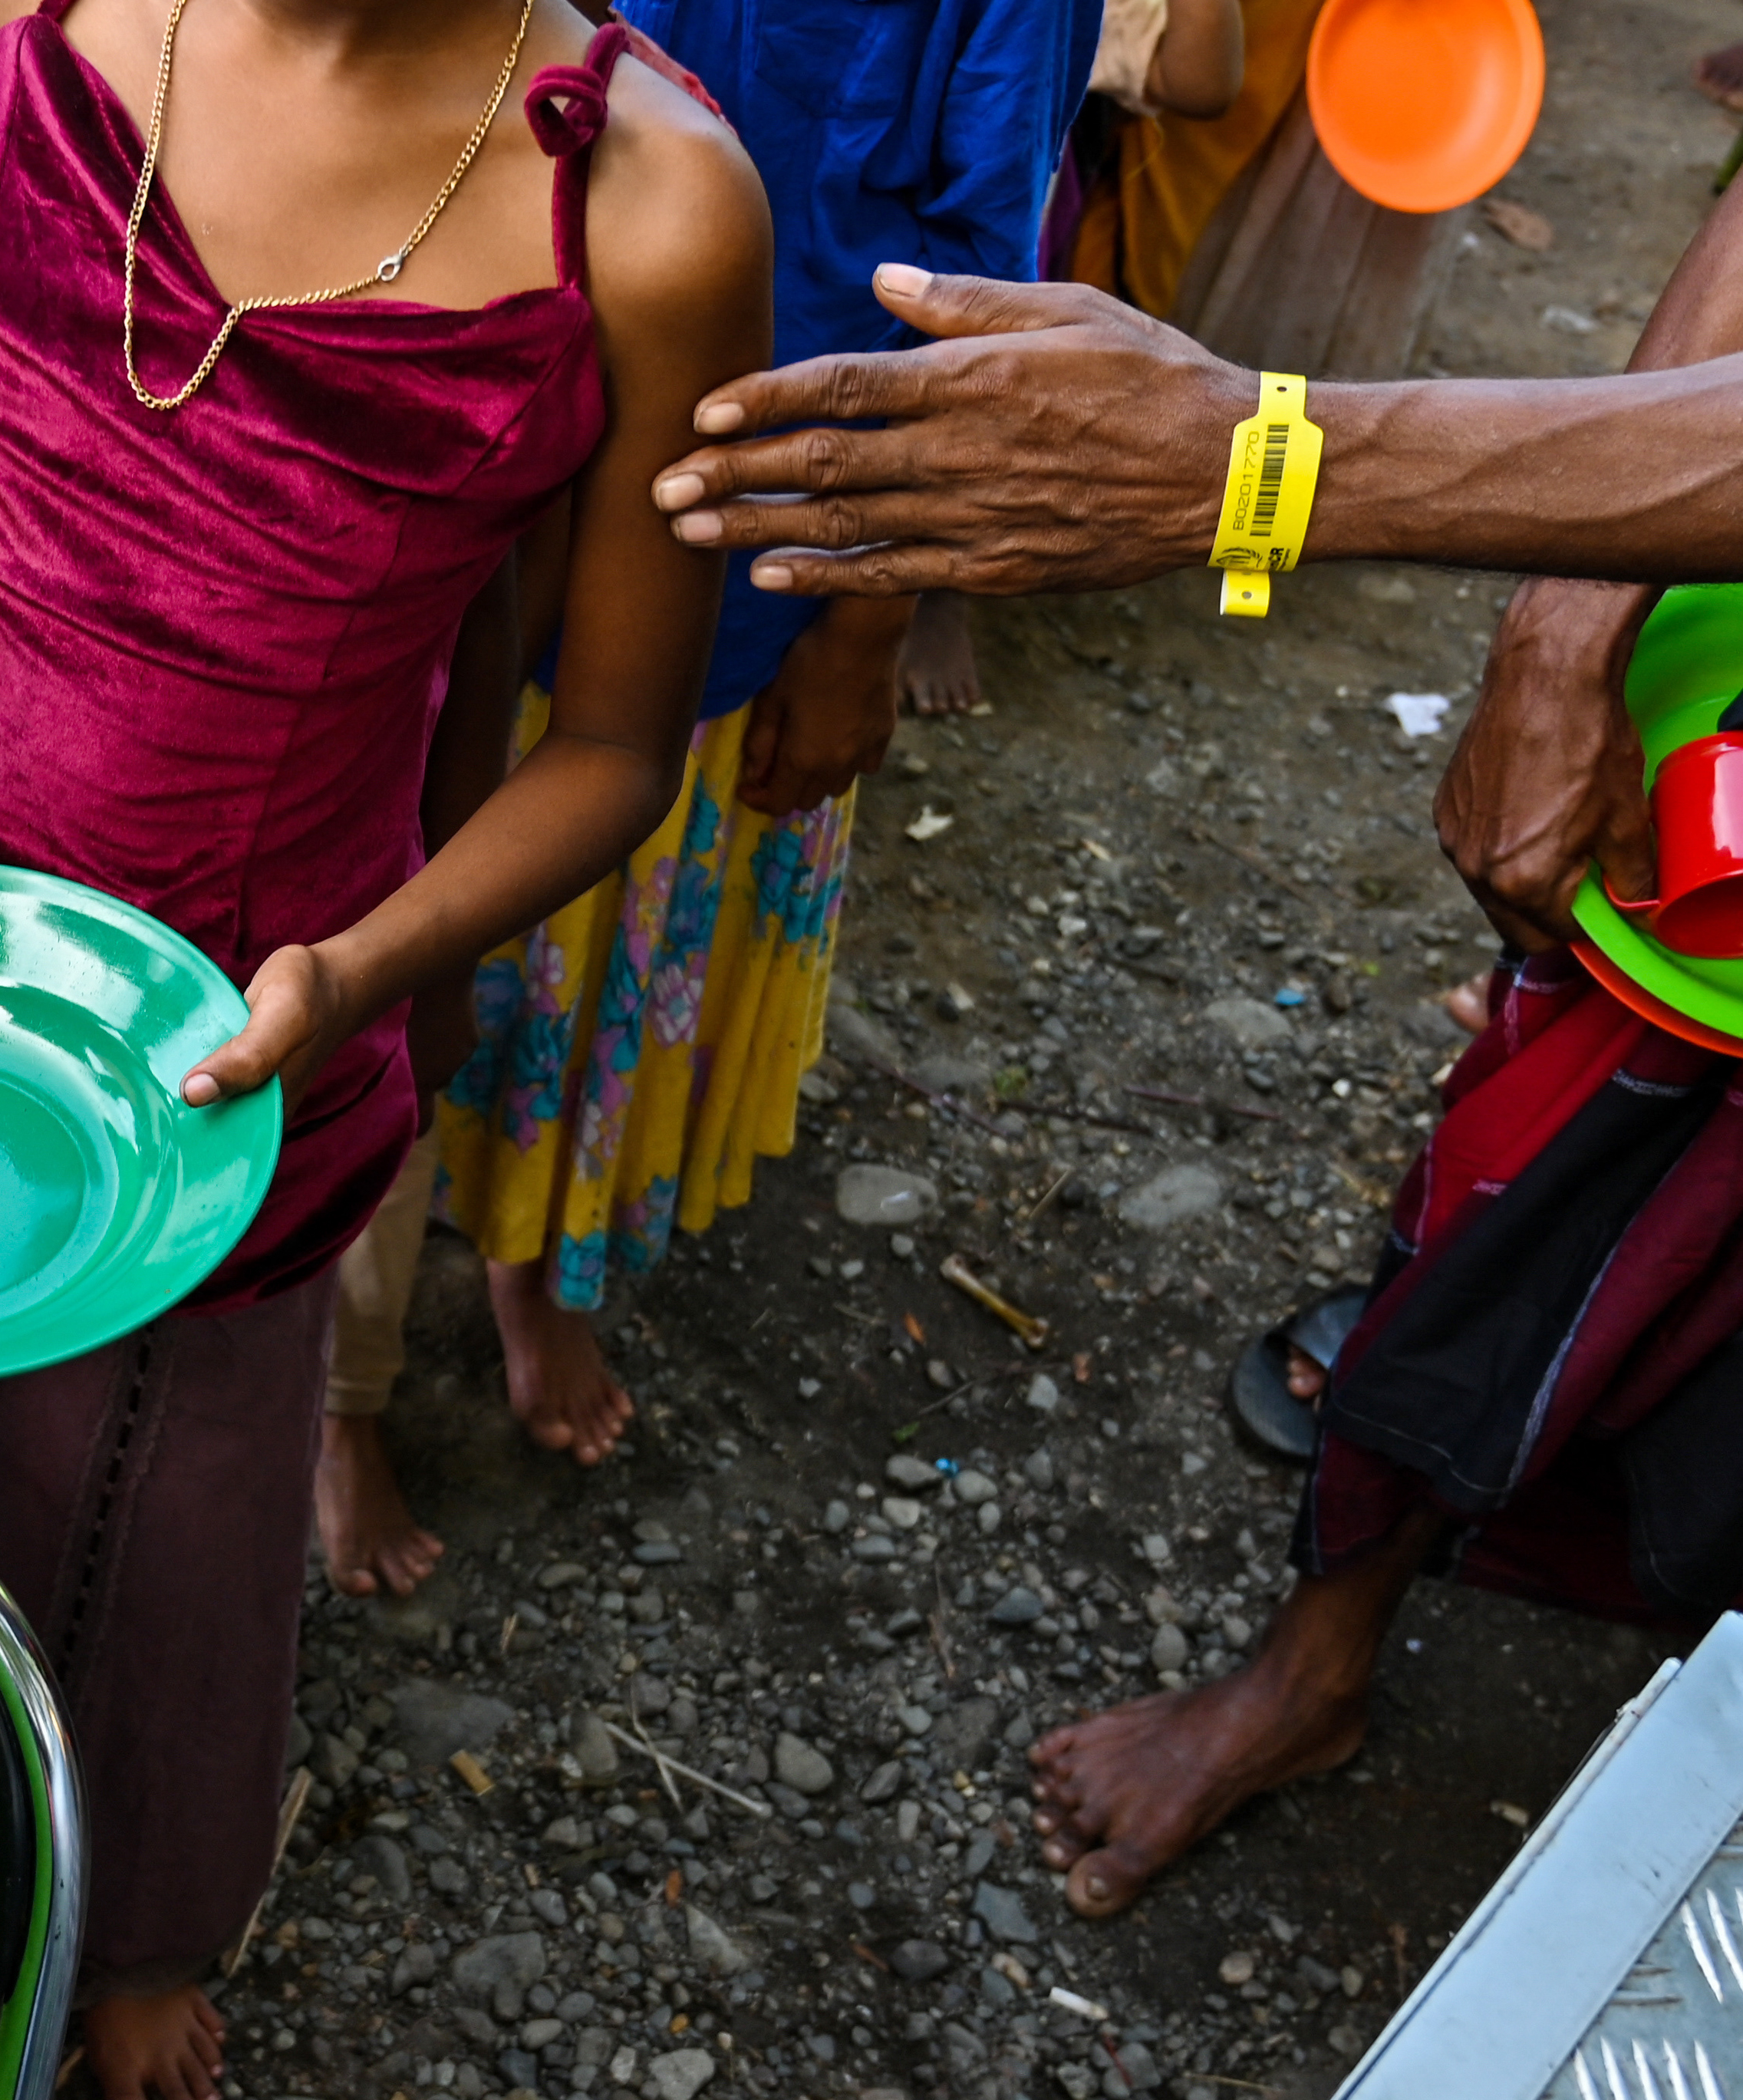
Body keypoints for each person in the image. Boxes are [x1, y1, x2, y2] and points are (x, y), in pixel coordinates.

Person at [0, 0, 766, 2100]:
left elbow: (606, 744)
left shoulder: (641, 214)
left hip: (238, 1034)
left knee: (160, 1497)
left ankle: (134, 1917)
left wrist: (366, 963)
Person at [651, 219, 1743, 1917]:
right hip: (1699, 837)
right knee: (1513, 1232)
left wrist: (1258, 458)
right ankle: (1315, 1665)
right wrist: (1569, 610)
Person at [324, 0, 1091, 1598]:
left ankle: (546, 1257)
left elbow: (976, 289)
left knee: (604, 971)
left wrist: (869, 613)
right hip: (458, 499)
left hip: (757, 568)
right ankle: (345, 1397)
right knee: (376, 969)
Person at [898, 0, 1238, 715]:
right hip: (843, 194)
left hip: (1005, 222)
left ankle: (937, 591)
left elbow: (1203, 80)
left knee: (978, 386)